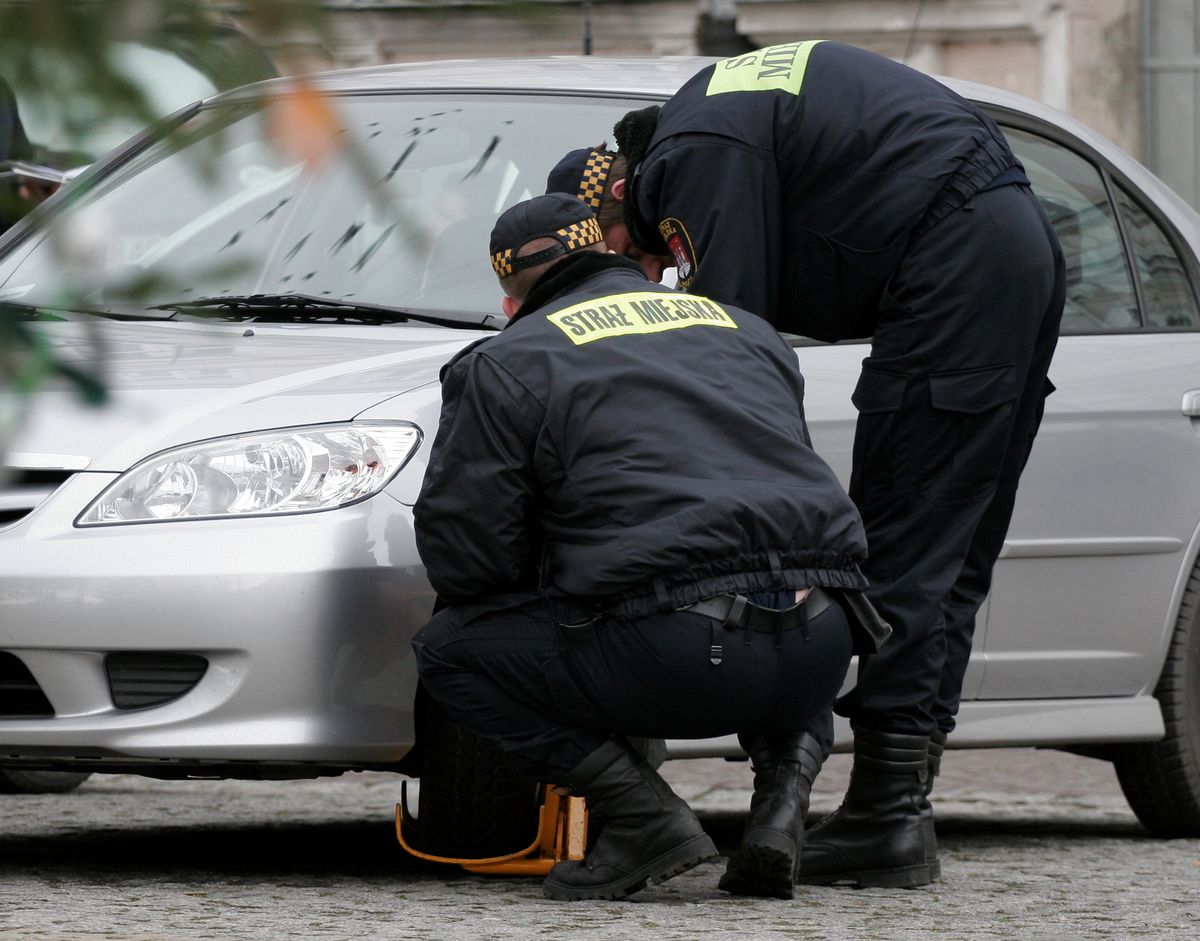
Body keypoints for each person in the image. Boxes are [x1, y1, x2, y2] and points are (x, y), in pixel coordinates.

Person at [582, 41, 1066, 889]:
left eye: (633, 254)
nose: (650, 270)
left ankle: (888, 815)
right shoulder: (726, 108)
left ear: (628, 192)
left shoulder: (693, 155)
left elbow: (736, 347)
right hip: (1010, 247)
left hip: (953, 262)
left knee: (906, 549)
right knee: (948, 556)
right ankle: (895, 808)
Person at [410, 193, 887, 901]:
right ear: (611, 248)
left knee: (449, 649)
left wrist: (557, 565)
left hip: (677, 658)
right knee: (790, 570)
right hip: (823, 651)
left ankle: (642, 818)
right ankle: (779, 815)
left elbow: (468, 559)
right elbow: (787, 513)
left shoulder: (508, 360)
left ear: (512, 296)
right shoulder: (748, 330)